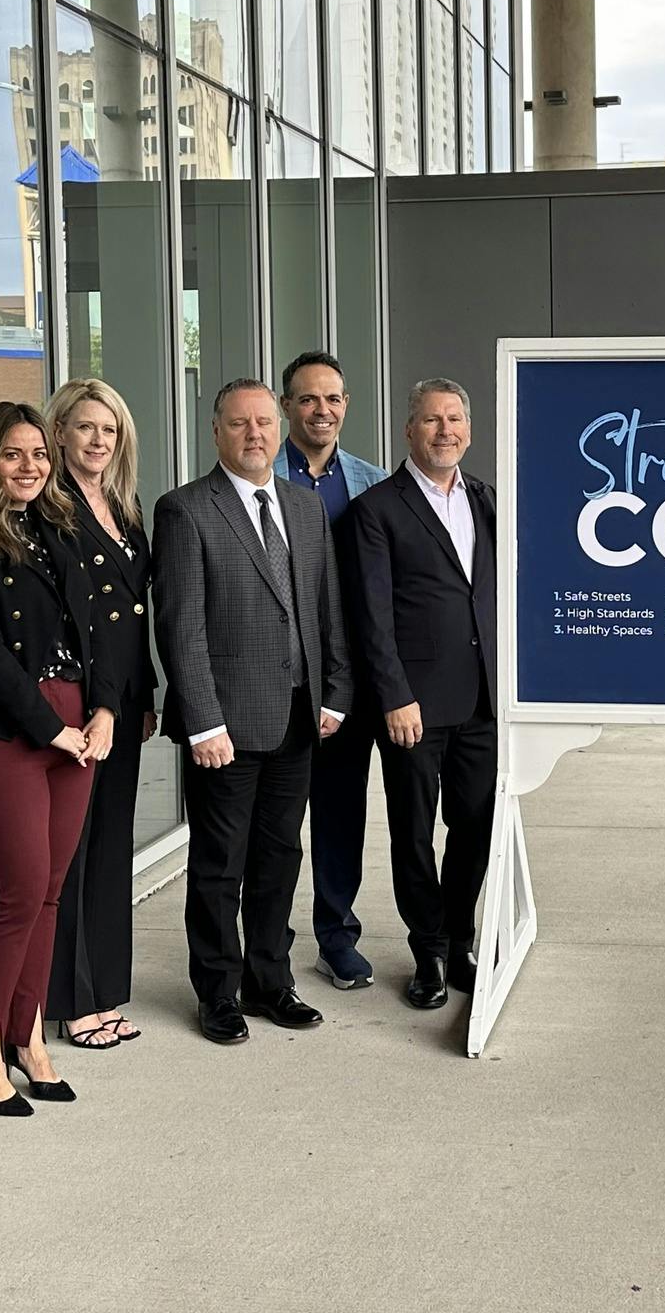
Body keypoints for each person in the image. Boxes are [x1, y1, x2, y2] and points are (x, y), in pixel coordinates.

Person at [153, 379, 350, 1044]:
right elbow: (182, 629)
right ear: (217, 432)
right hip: (225, 728)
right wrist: (204, 721)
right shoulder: (185, 510)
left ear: (280, 426)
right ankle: (218, 992)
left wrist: (336, 695)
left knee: (279, 858)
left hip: (299, 718)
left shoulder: (303, 507)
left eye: (265, 422)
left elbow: (326, 612)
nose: (255, 434)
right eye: (240, 424)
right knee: (219, 866)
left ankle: (272, 982)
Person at [0, 403, 121, 1112]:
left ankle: (29, 1039)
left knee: (50, 891)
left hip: (80, 727)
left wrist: (105, 709)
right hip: (10, 732)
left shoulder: (63, 531)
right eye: (13, 454)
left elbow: (104, 625)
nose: (30, 466)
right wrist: (51, 728)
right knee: (18, 894)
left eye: (38, 454)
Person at [344, 378, 499, 1009]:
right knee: (412, 831)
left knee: (476, 826)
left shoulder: (486, 500)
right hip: (413, 705)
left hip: (484, 701)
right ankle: (428, 952)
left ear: (469, 426)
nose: (445, 430)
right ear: (408, 430)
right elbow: (371, 616)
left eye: (455, 418)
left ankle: (458, 940)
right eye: (431, 420)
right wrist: (393, 695)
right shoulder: (377, 510)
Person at [45, 378, 157, 1049]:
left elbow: (134, 615)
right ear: (59, 432)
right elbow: (78, 620)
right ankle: (73, 1000)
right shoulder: (50, 509)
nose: (97, 440)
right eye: (85, 427)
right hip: (82, 705)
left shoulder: (123, 502)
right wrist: (100, 705)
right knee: (74, 853)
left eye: (108, 430)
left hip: (126, 700)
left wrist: (138, 698)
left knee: (113, 849)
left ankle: (107, 989)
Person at [280, 351, 389, 991]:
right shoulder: (262, 476)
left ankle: (336, 936)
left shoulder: (371, 483)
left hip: (346, 683)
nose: (323, 410)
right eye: (309, 399)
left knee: (341, 813)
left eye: (334, 399)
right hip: (280, 680)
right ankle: (267, 945)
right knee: (275, 820)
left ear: (346, 405)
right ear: (288, 405)